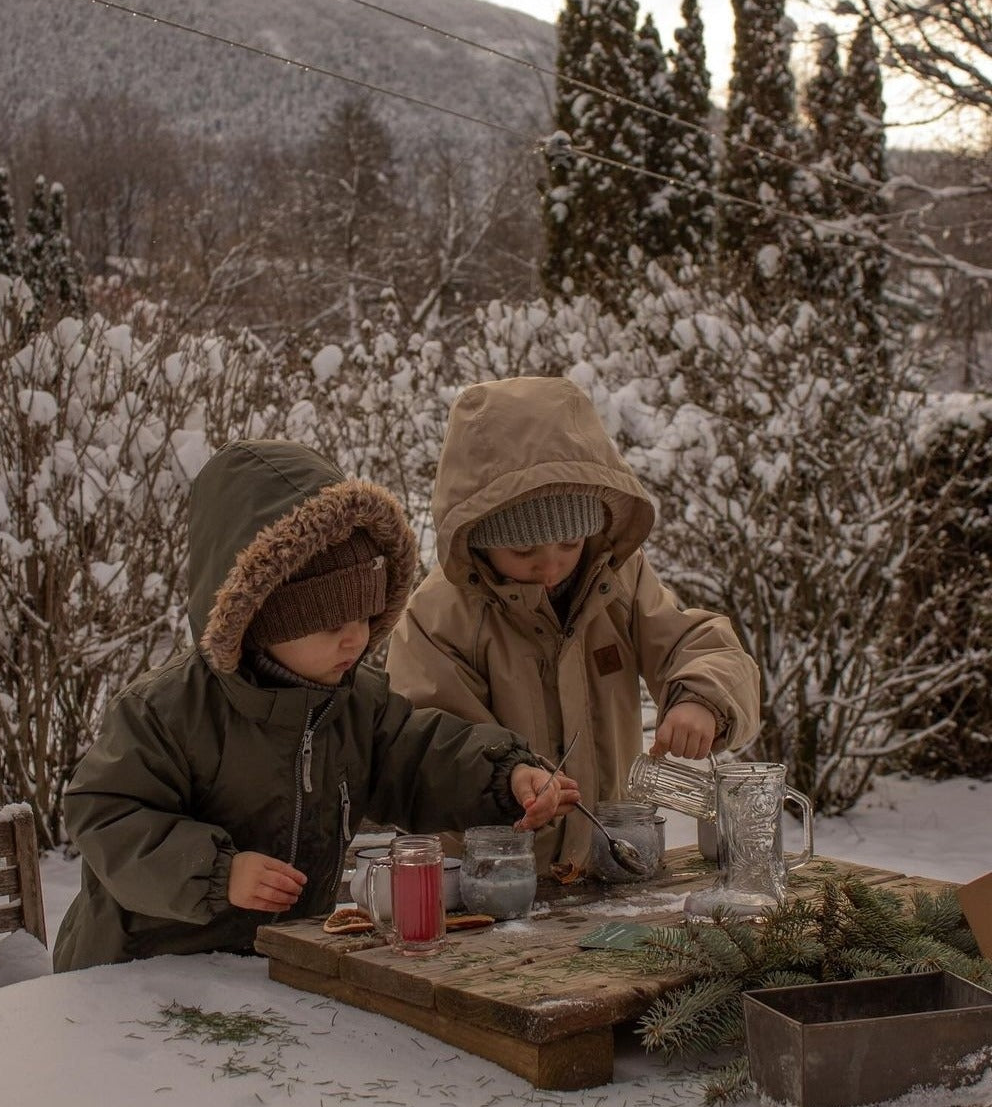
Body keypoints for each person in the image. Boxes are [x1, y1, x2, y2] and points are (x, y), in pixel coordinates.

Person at [53, 438, 577, 971]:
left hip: (276, 965)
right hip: (142, 972)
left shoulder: (355, 700)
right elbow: (106, 813)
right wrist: (216, 872)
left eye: (366, 616)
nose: (358, 639)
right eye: (332, 625)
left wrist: (505, 777)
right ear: (260, 616)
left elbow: (421, 758)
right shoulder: (165, 711)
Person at [385, 376, 761, 876]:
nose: (551, 566)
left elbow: (694, 643)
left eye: (570, 543)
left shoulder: (617, 579)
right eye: (524, 549)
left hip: (609, 862)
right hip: (491, 876)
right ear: (477, 538)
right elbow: (427, 741)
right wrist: (507, 778)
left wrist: (702, 698)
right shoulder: (440, 617)